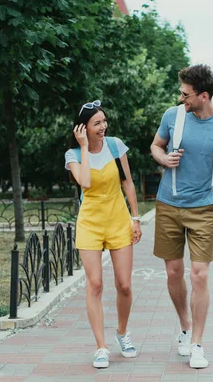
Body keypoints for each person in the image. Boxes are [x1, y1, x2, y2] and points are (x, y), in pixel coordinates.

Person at [150, 65, 213, 369]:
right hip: (168, 205)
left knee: (199, 274)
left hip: (203, 209)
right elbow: (155, 146)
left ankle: (198, 343)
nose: (181, 98)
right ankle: (185, 325)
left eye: (186, 94)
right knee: (174, 273)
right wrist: (163, 158)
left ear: (204, 96)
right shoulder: (172, 116)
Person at [65, 100, 142, 369]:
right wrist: (84, 147)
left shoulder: (115, 145)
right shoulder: (73, 155)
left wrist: (135, 217)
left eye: (104, 121)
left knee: (124, 284)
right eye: (97, 123)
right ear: (83, 127)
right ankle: (101, 346)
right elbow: (84, 182)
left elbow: (128, 182)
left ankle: (122, 332)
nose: (103, 127)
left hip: (118, 220)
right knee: (95, 283)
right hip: (90, 224)